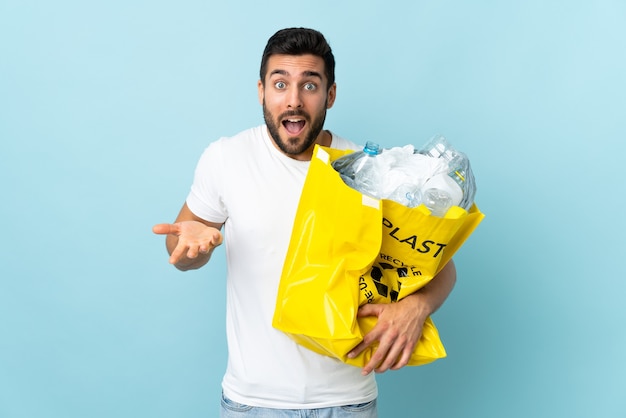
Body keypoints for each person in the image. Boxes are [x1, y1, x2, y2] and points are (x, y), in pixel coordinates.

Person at [153, 27, 456, 417]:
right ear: (261, 90)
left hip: (347, 402)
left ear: (330, 94)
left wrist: (417, 307)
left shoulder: (370, 171)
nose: (293, 101)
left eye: (309, 86)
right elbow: (181, 253)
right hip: (251, 403)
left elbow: (442, 270)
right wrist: (191, 247)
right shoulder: (226, 158)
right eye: (280, 84)